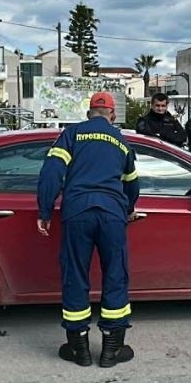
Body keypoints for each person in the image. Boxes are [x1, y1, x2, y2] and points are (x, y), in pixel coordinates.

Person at [37, 92, 140, 368]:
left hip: (78, 212)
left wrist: (45, 210)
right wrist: (128, 209)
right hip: (112, 215)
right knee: (115, 275)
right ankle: (111, 350)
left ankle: (79, 350)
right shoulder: (122, 141)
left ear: (88, 113)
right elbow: (132, 184)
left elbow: (50, 172)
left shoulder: (72, 135)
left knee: (75, 275)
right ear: (113, 115)